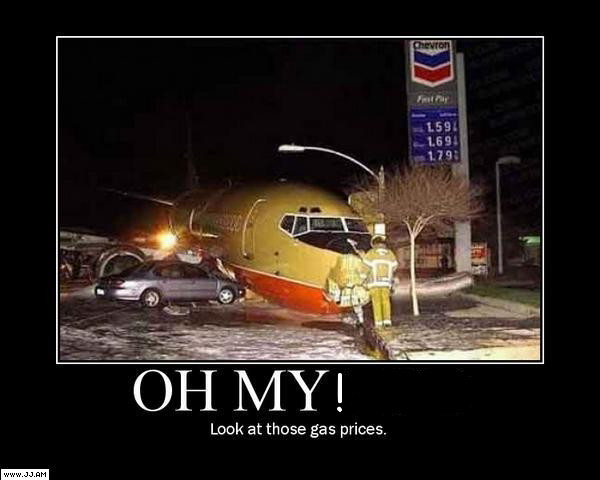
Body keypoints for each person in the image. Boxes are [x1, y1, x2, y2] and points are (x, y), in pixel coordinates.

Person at [348, 235, 398, 328]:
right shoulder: (390, 254)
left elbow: (365, 268)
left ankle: (379, 323)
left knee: (376, 302)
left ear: (374, 244)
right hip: (386, 283)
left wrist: (361, 279)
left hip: (374, 283)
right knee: (386, 301)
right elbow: (394, 266)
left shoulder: (371, 253)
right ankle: (387, 322)